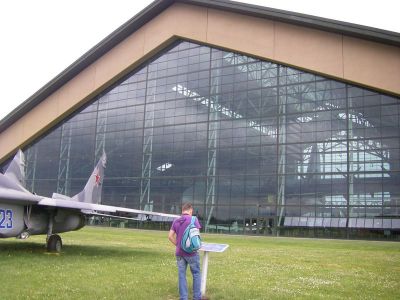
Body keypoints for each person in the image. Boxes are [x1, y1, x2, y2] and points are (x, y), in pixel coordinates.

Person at [168, 203, 202, 300]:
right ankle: (197, 297)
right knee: (196, 273)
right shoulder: (194, 219)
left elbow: (170, 236)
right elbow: (197, 236)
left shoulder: (176, 220)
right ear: (190, 210)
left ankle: (183, 297)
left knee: (181, 274)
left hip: (179, 253)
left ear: (183, 210)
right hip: (191, 253)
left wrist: (178, 244)